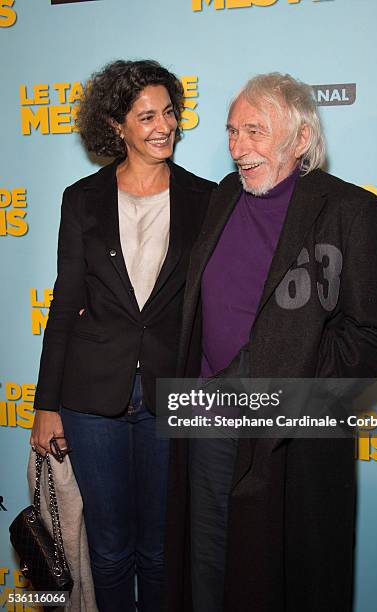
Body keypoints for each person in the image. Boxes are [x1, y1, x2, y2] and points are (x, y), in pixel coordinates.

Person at [165, 73, 377, 612]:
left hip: (294, 428)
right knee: (207, 564)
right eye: (231, 132)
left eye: (255, 130)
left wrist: (283, 376)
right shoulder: (223, 196)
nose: (238, 147)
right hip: (208, 414)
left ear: (300, 138)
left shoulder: (350, 210)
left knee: (280, 574)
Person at [30, 59, 215, 612]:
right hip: (90, 398)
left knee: (161, 550)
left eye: (170, 112)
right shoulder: (81, 198)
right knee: (109, 552)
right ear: (116, 125)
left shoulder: (207, 198)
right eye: (146, 116)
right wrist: (46, 404)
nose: (164, 126)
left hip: (170, 392)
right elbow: (64, 302)